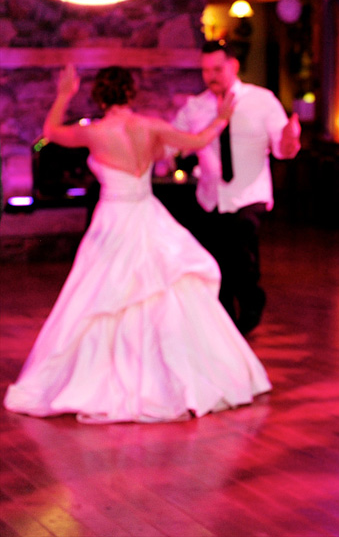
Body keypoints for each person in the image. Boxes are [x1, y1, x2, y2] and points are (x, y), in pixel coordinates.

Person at [4, 65, 271, 423]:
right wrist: (221, 119)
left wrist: (64, 93)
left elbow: (49, 132)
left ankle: (108, 374)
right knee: (163, 291)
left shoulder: (95, 132)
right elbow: (197, 141)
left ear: (99, 96)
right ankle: (188, 373)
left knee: (102, 293)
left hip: (113, 221)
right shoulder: (151, 125)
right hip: (146, 213)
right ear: (131, 93)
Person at [173, 40, 301, 335]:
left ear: (233, 66)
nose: (211, 76)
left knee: (243, 260)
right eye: (205, 70)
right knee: (216, 266)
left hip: (248, 196)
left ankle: (251, 307)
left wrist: (291, 138)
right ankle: (227, 327)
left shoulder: (262, 100)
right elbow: (174, 141)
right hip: (210, 198)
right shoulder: (196, 107)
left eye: (217, 69)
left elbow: (282, 148)